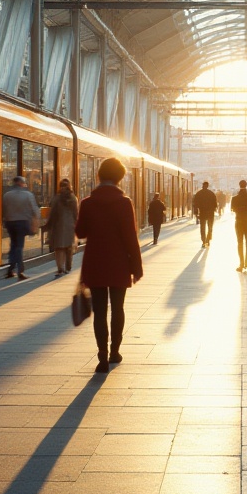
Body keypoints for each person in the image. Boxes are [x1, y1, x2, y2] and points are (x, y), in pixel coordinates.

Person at [76, 157, 144, 374]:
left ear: (99, 176)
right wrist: (137, 266)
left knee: (99, 312)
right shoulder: (124, 203)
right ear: (120, 178)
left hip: (95, 263)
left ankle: (102, 357)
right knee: (118, 308)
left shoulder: (87, 203)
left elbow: (80, 233)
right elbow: (130, 237)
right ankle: (115, 351)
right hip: (119, 263)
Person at [2, 174, 39, 280]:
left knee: (13, 245)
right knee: (19, 246)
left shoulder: (7, 195)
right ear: (22, 184)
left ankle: (10, 269)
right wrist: (35, 223)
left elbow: (4, 209)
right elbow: (35, 210)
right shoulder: (28, 195)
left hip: (10, 222)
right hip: (22, 222)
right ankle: (20, 271)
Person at [45, 178, 78, 277]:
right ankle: (68, 266)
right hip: (70, 225)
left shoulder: (56, 198)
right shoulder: (73, 198)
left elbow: (52, 213)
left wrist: (48, 224)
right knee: (68, 247)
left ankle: (60, 269)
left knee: (59, 249)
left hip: (58, 225)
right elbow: (76, 213)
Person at [193, 181, 218, 248]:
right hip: (210, 213)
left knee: (202, 228)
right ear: (208, 186)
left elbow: (195, 204)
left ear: (202, 185)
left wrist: (196, 213)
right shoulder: (211, 194)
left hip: (202, 213)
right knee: (210, 227)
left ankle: (203, 241)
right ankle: (208, 239)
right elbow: (215, 204)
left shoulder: (198, 194)